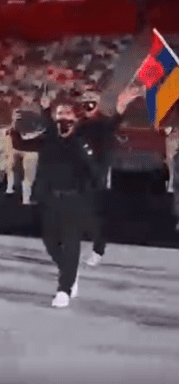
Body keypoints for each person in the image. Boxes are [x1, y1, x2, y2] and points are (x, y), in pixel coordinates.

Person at [33, 100, 103, 309]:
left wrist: (88, 194)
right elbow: (41, 168)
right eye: (60, 114)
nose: (63, 118)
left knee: (71, 245)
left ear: (74, 119)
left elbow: (94, 173)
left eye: (67, 114)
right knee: (50, 242)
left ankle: (64, 289)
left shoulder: (80, 143)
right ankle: (69, 272)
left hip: (74, 200)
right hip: (51, 199)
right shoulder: (49, 142)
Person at [75, 88, 138, 267]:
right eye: (85, 103)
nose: (87, 106)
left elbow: (112, 124)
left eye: (91, 103)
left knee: (95, 214)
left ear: (97, 104)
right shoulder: (80, 125)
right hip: (80, 173)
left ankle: (98, 250)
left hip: (97, 174)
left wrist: (120, 108)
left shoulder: (102, 122)